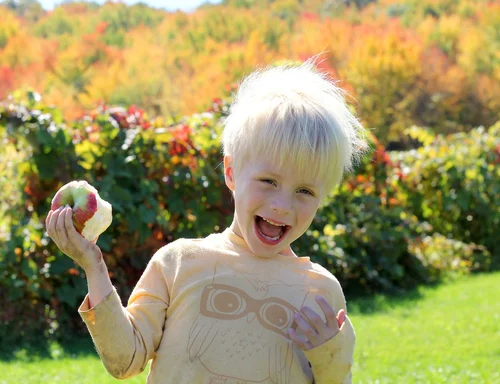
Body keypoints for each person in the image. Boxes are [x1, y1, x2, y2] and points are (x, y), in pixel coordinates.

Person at [46, 57, 368, 383]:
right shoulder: (178, 263)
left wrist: (331, 350)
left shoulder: (319, 293)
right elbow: (125, 359)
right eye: (268, 181)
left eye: (304, 191)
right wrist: (93, 265)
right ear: (231, 171)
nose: (282, 205)